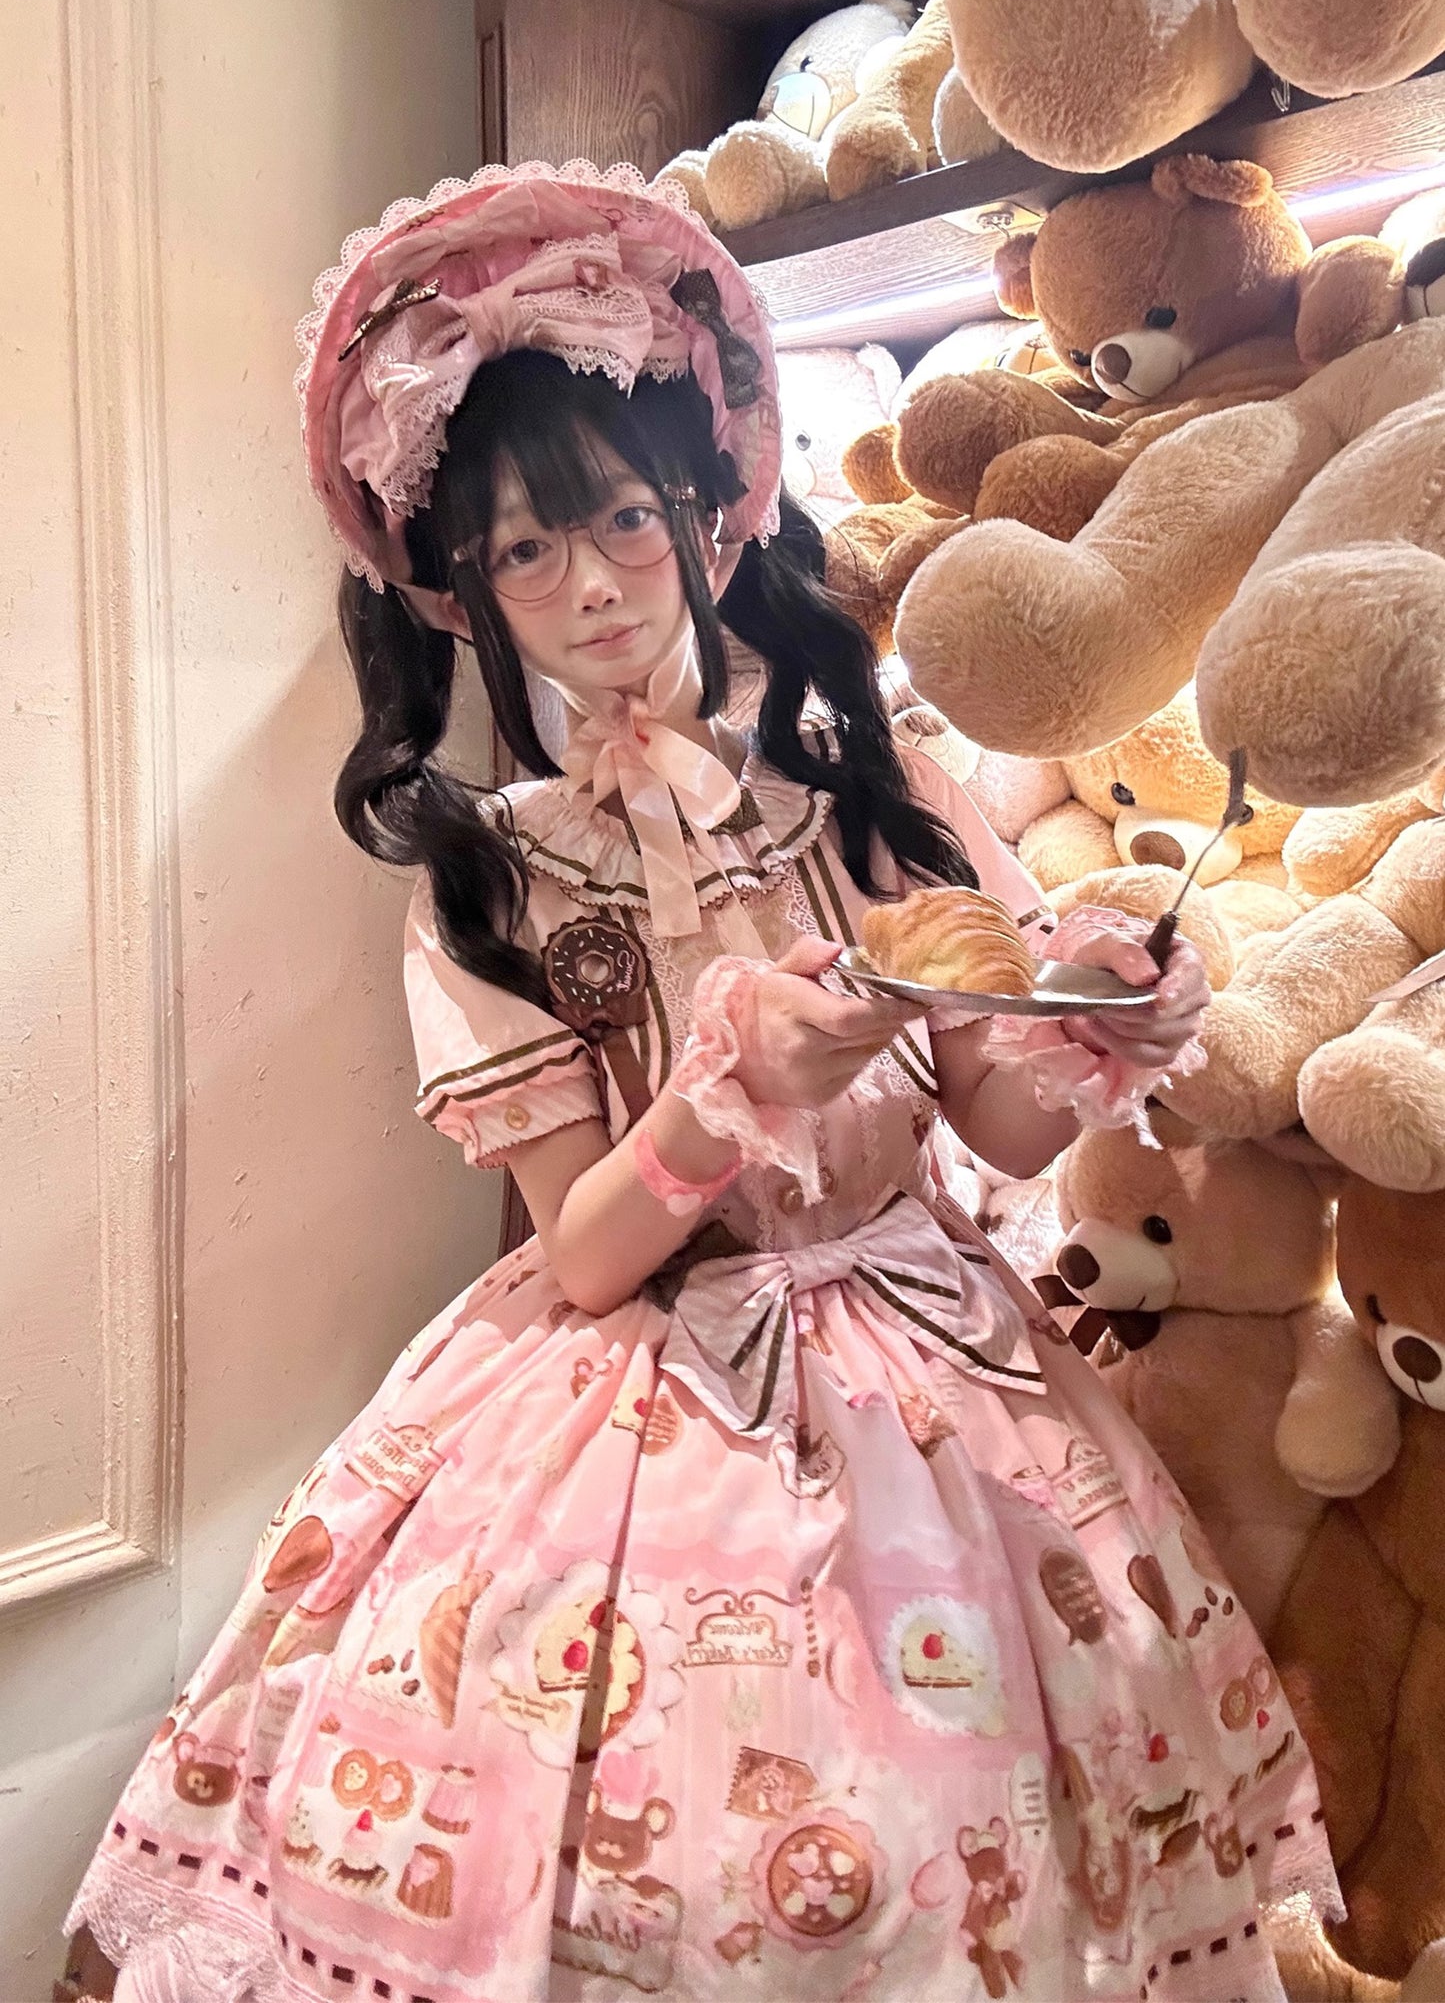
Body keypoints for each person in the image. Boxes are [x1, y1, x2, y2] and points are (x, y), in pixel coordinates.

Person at [64, 163, 1339, 2003]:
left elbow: (990, 1126)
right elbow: (582, 1254)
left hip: (938, 1379)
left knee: (974, 1848)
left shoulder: (872, 800)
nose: (583, 586)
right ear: (461, 590)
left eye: (617, 521)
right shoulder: (487, 876)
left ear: (707, 517)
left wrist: (1091, 1030)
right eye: (519, 550)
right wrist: (714, 1099)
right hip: (629, 1398)